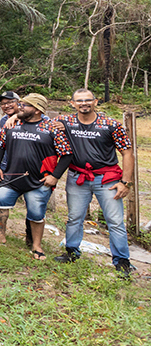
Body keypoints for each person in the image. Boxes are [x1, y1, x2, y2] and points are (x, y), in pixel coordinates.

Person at [53, 89, 134, 276]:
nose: (84, 104)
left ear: (96, 102)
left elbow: (127, 152)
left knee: (114, 221)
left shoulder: (111, 125)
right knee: (75, 217)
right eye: (79, 101)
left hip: (107, 178)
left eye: (88, 100)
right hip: (77, 176)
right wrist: (13, 118)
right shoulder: (65, 121)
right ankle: (71, 252)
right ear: (72, 103)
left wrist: (126, 182)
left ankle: (122, 261)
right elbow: (37, 120)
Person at [0, 93, 72, 261]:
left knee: (36, 214)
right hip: (11, 178)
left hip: (39, 181)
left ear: (38, 110)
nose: (20, 107)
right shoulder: (12, 124)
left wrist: (55, 176)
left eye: (25, 105)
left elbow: (66, 154)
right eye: (21, 104)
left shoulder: (51, 127)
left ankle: (36, 245)